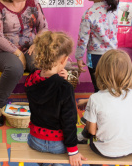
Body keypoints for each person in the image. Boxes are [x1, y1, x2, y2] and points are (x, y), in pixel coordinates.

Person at [0, 0, 48, 125]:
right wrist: (16, 52)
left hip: (31, 47)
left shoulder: (33, 3)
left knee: (38, 65)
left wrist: (38, 43)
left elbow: (44, 27)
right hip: (3, 51)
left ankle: (39, 105)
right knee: (15, 68)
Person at [25, 31, 86, 166]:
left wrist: (56, 78)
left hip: (35, 140)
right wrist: (73, 151)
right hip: (58, 145)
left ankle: (47, 163)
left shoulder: (30, 80)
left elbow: (45, 84)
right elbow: (69, 122)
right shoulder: (65, 87)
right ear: (63, 60)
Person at [77, 50, 132, 160]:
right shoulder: (130, 93)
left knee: (89, 125)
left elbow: (92, 131)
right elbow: (112, 100)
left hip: (104, 150)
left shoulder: (95, 98)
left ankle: (81, 138)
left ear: (101, 71)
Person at [75, 0, 122, 93]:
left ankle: (100, 109)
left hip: (96, 57)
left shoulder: (89, 13)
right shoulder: (114, 9)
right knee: (110, 88)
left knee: (99, 88)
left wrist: (79, 58)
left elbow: (82, 39)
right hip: (113, 55)